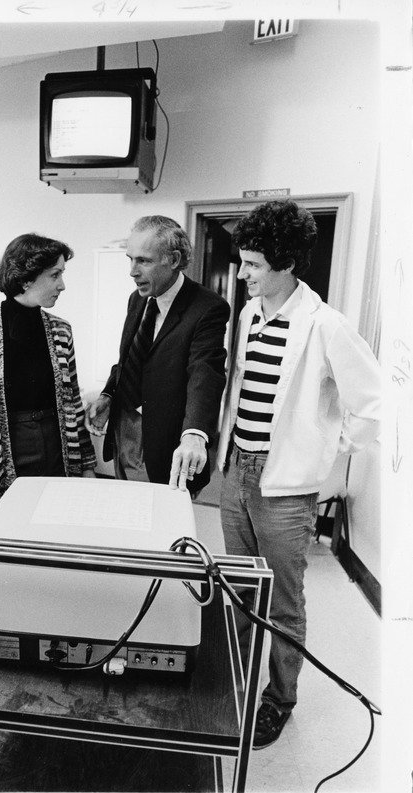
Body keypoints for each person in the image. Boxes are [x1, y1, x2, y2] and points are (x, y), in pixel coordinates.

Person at [216, 199, 380, 749]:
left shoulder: (326, 326)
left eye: (254, 265)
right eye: (243, 262)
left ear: (286, 264)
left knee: (283, 600)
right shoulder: (248, 314)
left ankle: (278, 698)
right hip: (237, 472)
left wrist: (326, 455)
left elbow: (374, 406)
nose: (243, 274)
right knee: (238, 587)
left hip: (286, 489)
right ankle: (233, 682)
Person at [0, 232, 97, 761]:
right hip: (2, 461)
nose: (62, 284)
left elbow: (71, 402)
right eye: (55, 274)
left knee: (52, 567)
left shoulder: (61, 331)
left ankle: (50, 679)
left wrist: (86, 469)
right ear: (26, 277)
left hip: (56, 452)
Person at [86, 215, 230, 495]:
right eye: (130, 259)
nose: (132, 271)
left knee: (159, 526)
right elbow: (129, 358)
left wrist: (195, 434)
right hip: (124, 430)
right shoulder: (138, 298)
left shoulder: (207, 307)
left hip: (163, 442)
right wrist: (108, 395)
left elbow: (205, 373)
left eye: (144, 261)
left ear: (173, 260)